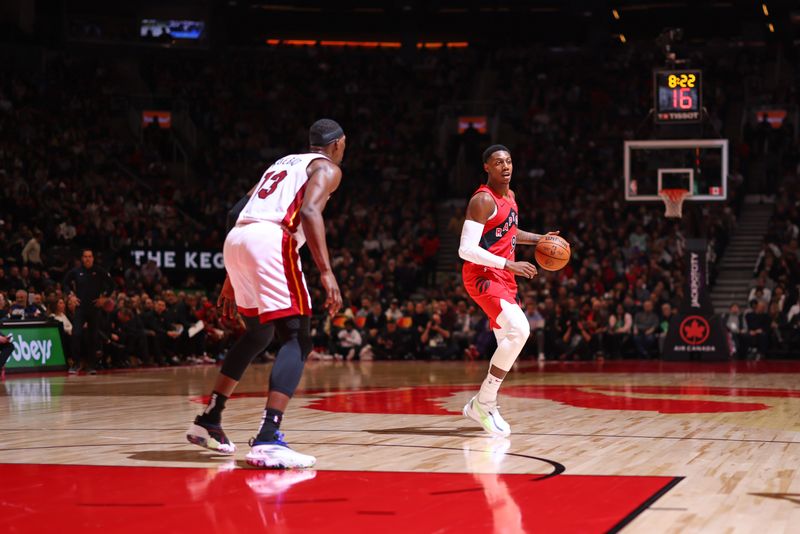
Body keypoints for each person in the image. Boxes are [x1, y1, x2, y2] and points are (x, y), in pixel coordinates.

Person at [187, 119, 345, 469]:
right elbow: (309, 210)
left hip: (238, 240)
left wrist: (231, 274)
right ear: (338, 144)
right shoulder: (327, 167)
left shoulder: (282, 163)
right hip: (272, 240)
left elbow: (233, 212)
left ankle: (210, 418)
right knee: (298, 338)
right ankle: (269, 436)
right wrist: (325, 271)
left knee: (258, 333)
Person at [458, 144, 565, 436]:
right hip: (482, 275)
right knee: (520, 329)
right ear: (487, 168)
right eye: (498, 162)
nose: (505, 166)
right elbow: (465, 249)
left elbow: (510, 231)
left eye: (508, 161)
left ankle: (483, 405)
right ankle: (485, 401)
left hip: (503, 277)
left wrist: (539, 238)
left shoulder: (511, 197)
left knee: (510, 339)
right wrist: (509, 264)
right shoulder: (482, 200)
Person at [62, 249, 115, 374]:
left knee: (93, 336)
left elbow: (111, 285)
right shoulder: (76, 271)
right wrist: (71, 295)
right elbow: (65, 283)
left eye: (90, 256)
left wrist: (104, 297)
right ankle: (76, 363)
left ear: (93, 258)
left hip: (94, 308)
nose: (87, 259)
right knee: (76, 334)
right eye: (85, 256)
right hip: (80, 308)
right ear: (82, 258)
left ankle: (91, 365)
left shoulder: (99, 271)